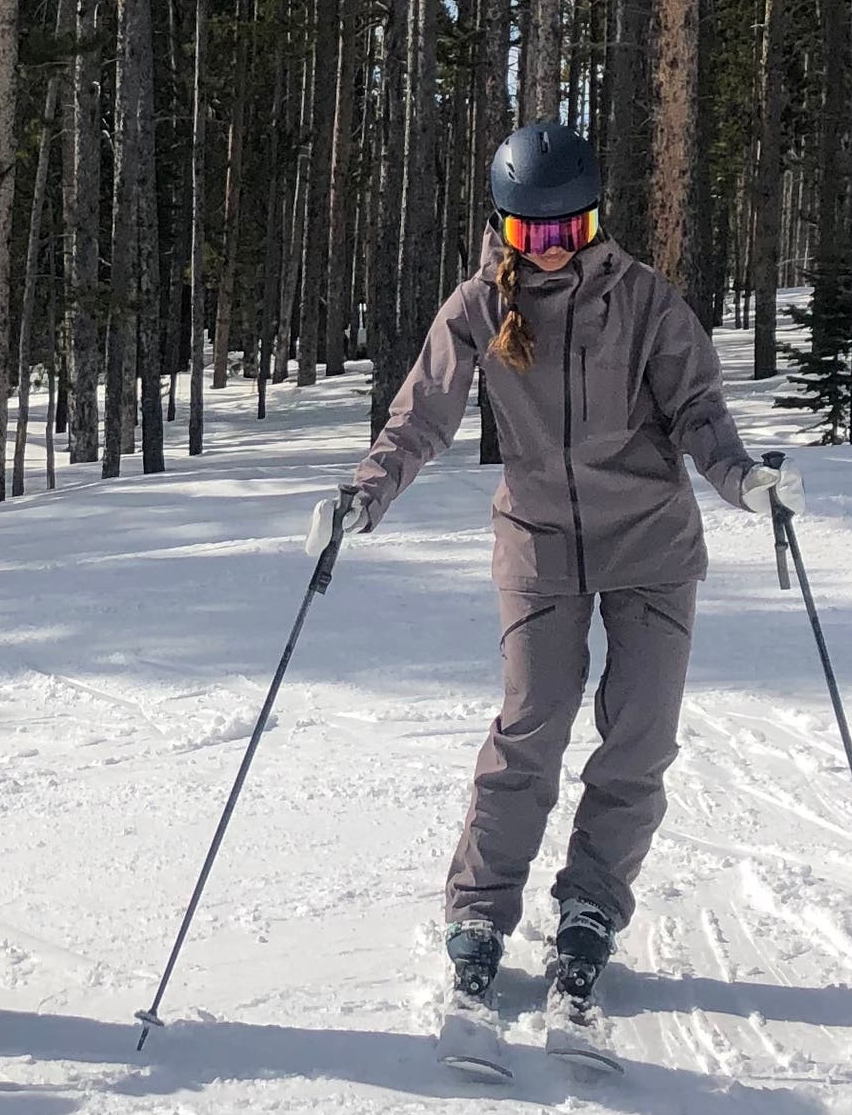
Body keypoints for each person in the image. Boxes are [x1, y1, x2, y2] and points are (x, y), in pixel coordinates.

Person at [328, 119, 784, 1047]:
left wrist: (746, 479)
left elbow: (701, 407)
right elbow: (422, 416)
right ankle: (481, 914)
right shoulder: (476, 309)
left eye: (567, 232)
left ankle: (590, 909)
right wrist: (363, 495)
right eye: (530, 235)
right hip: (538, 541)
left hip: (650, 540)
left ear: (594, 222)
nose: (549, 251)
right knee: (530, 727)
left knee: (639, 737)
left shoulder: (646, 301)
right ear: (502, 229)